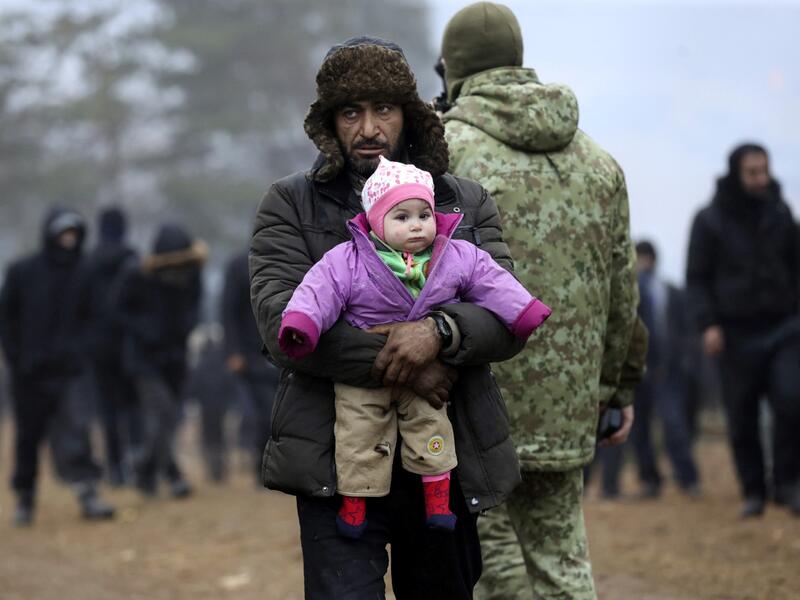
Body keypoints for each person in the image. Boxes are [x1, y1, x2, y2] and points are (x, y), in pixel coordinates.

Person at [251, 36, 529, 599]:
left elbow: (503, 316)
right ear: (330, 123)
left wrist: (439, 333)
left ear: (410, 116)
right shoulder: (290, 205)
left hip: (443, 457)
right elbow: (282, 328)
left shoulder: (463, 202)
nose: (369, 127)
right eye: (351, 112)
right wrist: (403, 363)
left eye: (384, 109)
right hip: (336, 460)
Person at [440, 3, 639, 598]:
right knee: (563, 561)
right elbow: (621, 293)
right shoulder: (599, 163)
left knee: (491, 555)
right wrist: (617, 389)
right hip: (568, 401)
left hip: (475, 395)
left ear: (452, 68)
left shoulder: (445, 152)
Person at [279, 156, 551, 538]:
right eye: (401, 216)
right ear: (375, 221)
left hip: (430, 370)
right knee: (358, 436)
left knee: (432, 428)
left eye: (423, 214)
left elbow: (491, 280)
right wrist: (302, 324)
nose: (416, 225)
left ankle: (437, 503)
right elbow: (319, 290)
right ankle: (355, 505)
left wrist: (523, 310)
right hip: (363, 376)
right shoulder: (349, 259)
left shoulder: (454, 255)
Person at [687, 143, 800, 518]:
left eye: (764, 170)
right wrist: (708, 324)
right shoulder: (710, 220)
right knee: (742, 416)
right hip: (734, 334)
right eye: (753, 172)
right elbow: (697, 279)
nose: (760, 178)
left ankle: (786, 484)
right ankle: (754, 491)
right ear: (737, 173)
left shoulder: (781, 213)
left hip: (783, 328)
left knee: (791, 400)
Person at [0, 207, 116, 525]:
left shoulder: (87, 273)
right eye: (63, 233)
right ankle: (25, 499)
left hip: (71, 372)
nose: (68, 240)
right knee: (28, 437)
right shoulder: (22, 271)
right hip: (29, 373)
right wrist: (16, 357)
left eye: (74, 234)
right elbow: (6, 319)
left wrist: (80, 353)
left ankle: (88, 492)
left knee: (77, 430)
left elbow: (98, 320)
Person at [593, 242, 700, 499]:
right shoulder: (627, 293)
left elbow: (686, 329)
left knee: (673, 425)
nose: (642, 264)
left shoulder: (671, 292)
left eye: (644, 259)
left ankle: (689, 479)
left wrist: (684, 362)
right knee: (635, 430)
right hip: (635, 372)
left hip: (668, 372)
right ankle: (647, 480)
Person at [116, 223, 206, 499]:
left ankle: (149, 472)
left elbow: (194, 309)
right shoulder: (136, 276)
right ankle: (158, 473)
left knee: (168, 418)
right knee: (161, 412)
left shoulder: (193, 276)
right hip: (144, 361)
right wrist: (146, 329)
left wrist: (185, 327)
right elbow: (118, 309)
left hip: (175, 359)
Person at [74, 207, 141, 486]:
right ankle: (136, 460)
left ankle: (115, 468)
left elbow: (80, 307)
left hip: (98, 348)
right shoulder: (132, 259)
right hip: (129, 344)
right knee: (133, 405)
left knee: (108, 409)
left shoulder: (88, 261)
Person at [222, 250, 280, 484]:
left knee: (280, 413)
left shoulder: (288, 259)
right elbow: (228, 311)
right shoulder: (239, 266)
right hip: (250, 355)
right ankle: (262, 467)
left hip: (282, 351)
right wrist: (234, 351)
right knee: (262, 413)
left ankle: (274, 466)